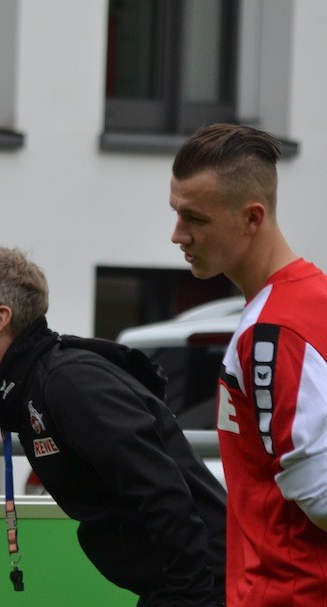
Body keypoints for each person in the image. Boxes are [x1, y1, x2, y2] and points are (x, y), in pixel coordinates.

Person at [0, 242, 227, 606]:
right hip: (183, 586)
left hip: (208, 588)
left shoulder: (67, 382)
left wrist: (190, 598)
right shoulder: (34, 384)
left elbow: (162, 491)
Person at [169, 124, 327, 605]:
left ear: (252, 218)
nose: (178, 235)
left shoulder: (272, 331)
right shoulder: (313, 299)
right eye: (177, 214)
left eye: (195, 218)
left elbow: (320, 496)